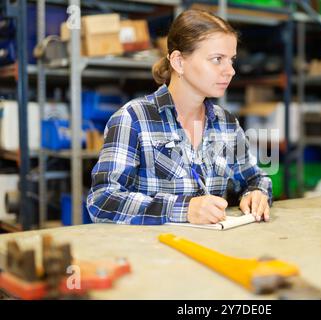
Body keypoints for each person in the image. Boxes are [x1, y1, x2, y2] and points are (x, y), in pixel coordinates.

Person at [87, 9, 272, 225]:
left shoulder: (227, 124)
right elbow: (102, 200)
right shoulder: (133, 119)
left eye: (231, 60)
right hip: (152, 253)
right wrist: (182, 209)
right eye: (217, 59)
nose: (230, 70)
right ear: (178, 62)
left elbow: (255, 178)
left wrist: (256, 193)